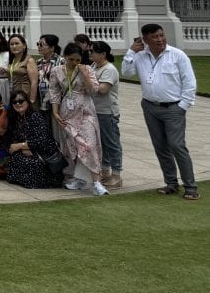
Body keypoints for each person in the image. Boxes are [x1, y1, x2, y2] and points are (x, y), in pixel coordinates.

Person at [121, 23, 198, 200]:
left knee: (177, 145)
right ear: (145, 39)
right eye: (155, 37)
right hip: (150, 106)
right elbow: (126, 72)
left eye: (161, 35)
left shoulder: (177, 55)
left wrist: (183, 106)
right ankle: (171, 183)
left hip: (173, 108)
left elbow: (189, 82)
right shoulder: (140, 56)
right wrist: (131, 52)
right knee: (160, 147)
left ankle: (191, 186)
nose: (160, 39)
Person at [49, 42, 107, 195]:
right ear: (65, 57)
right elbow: (54, 92)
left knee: (89, 144)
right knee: (71, 146)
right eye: (71, 59)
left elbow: (93, 90)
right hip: (66, 112)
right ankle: (78, 177)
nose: (75, 63)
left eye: (77, 60)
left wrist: (85, 74)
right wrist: (55, 113)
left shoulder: (87, 69)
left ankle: (97, 181)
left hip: (85, 111)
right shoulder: (56, 71)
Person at [5, 91, 62, 189]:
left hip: (44, 153)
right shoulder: (16, 119)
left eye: (21, 101)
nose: (18, 104)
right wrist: (23, 148)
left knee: (31, 163)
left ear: (27, 102)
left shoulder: (35, 116)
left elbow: (42, 140)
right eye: (15, 102)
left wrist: (21, 146)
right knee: (14, 159)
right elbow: (12, 140)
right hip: (26, 151)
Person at [90, 41, 123, 189]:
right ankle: (105, 171)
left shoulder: (109, 69)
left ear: (103, 54)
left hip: (107, 111)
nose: (90, 53)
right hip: (95, 110)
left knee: (112, 143)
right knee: (101, 143)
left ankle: (116, 174)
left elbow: (103, 89)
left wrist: (86, 80)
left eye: (93, 51)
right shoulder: (93, 67)